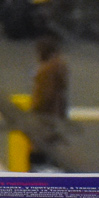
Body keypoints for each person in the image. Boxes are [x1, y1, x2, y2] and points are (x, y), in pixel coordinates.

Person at [28, 36, 69, 168]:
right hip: (56, 110)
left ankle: (40, 165)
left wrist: (34, 108)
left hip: (45, 113)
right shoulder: (60, 66)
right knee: (50, 139)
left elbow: (45, 94)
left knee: (40, 141)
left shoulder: (46, 70)